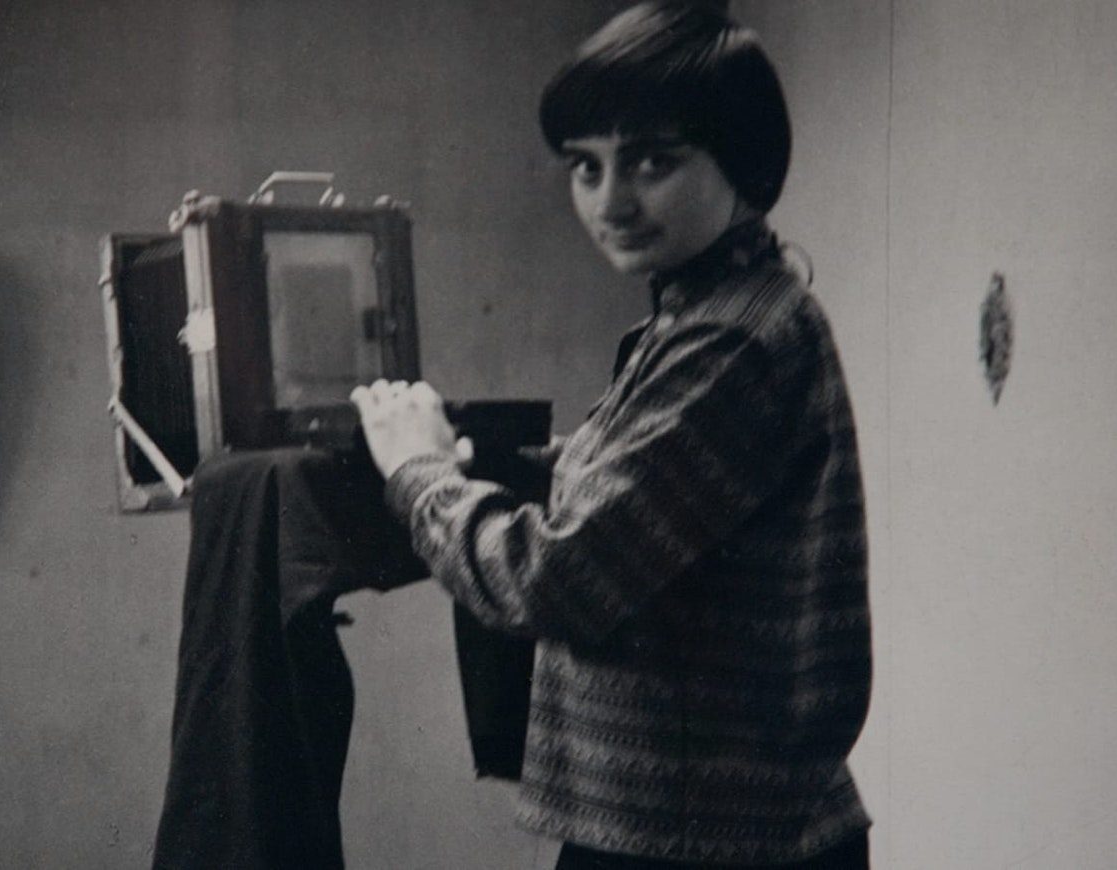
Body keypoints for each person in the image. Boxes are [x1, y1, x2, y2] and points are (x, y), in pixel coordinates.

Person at [350, 3, 872, 868]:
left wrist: (418, 472)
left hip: (705, 841)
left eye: (652, 162)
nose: (609, 201)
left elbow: (558, 579)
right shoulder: (712, 312)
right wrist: (534, 470)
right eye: (586, 168)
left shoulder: (732, 339)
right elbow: (669, 511)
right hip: (695, 823)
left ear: (743, 161)